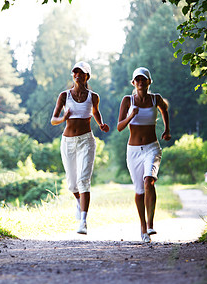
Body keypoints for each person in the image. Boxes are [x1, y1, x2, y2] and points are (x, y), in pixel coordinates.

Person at [51, 61, 110, 234]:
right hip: (67, 142)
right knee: (72, 184)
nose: (77, 75)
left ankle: (83, 221)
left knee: (83, 180)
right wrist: (64, 118)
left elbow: (95, 111)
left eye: (81, 73)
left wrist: (101, 124)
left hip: (86, 140)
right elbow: (53, 119)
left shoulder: (94, 96)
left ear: (87, 76)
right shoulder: (64, 96)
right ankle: (79, 202)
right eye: (75, 72)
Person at [117, 67, 171, 243]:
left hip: (152, 148)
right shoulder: (128, 100)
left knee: (149, 181)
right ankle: (142, 227)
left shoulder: (156, 99)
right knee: (139, 191)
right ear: (133, 83)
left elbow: (164, 109)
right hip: (133, 151)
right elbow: (119, 126)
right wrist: (131, 115)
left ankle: (150, 223)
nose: (140, 82)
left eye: (144, 79)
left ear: (149, 82)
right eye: (137, 79)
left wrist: (167, 130)